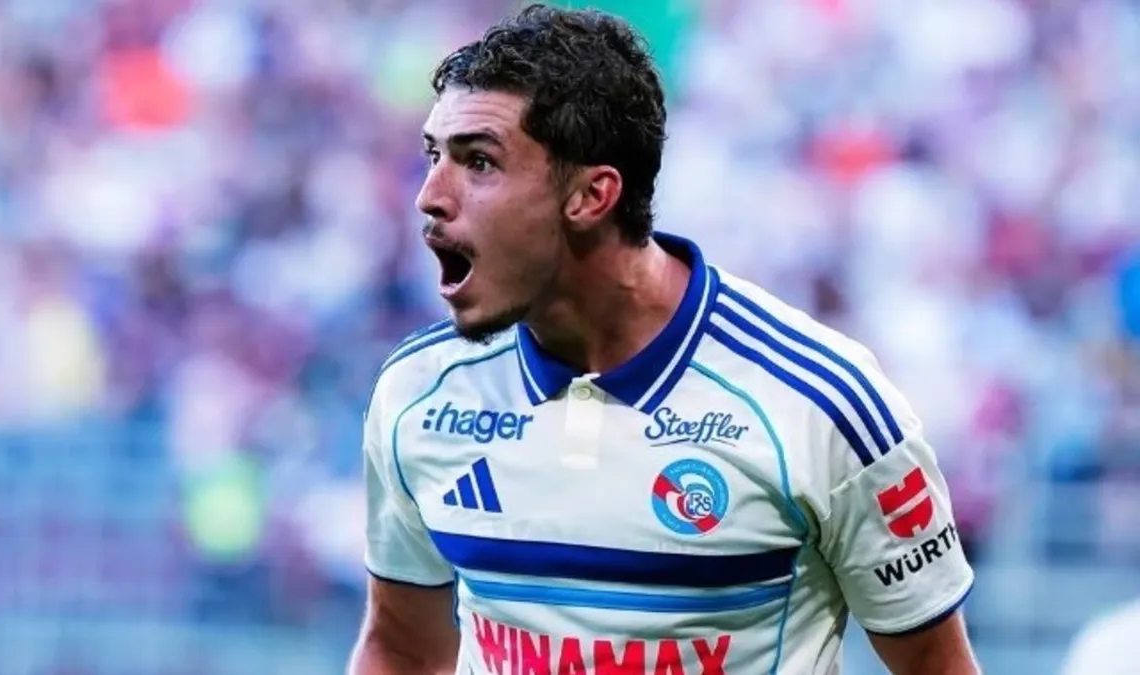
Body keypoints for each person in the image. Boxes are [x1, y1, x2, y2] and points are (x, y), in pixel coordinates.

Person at [350, 5, 979, 674]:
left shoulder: (821, 402)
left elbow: (936, 666)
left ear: (592, 195)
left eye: (478, 161)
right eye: (434, 155)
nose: (429, 195)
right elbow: (402, 647)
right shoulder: (417, 394)